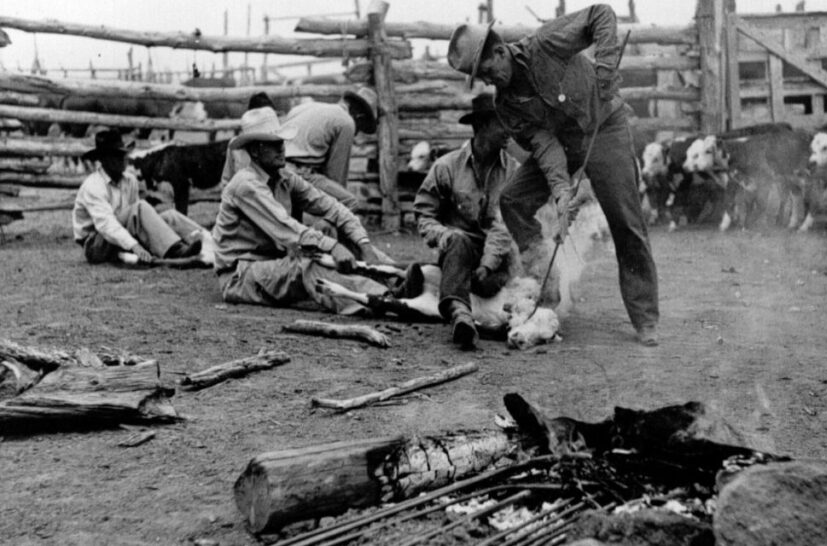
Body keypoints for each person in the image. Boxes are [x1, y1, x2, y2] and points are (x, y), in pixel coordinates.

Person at [446, 4, 660, 346]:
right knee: (513, 200)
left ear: (500, 51)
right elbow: (546, 147)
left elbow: (601, 14)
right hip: (566, 145)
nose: (487, 82)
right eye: (481, 79)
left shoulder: (545, 43)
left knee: (625, 221)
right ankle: (545, 279)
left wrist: (605, 68)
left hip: (605, 130)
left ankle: (645, 317)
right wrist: (561, 192)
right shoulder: (506, 105)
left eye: (486, 72)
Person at [212, 107, 396, 315]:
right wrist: (332, 247)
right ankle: (384, 300)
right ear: (255, 151)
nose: (281, 149)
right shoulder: (246, 184)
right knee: (309, 264)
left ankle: (399, 279)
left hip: (272, 265)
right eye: (273, 145)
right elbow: (286, 228)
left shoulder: (285, 177)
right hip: (241, 274)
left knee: (351, 244)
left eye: (281, 142)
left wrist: (364, 245)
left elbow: (333, 206)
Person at [414, 93, 519, 349]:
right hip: (457, 249)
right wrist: (443, 235)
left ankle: (439, 285)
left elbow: (503, 226)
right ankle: (460, 314)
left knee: (511, 284)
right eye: (503, 123)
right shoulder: (446, 167)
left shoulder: (514, 171)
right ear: (482, 126)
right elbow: (424, 214)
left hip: (496, 255)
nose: (510, 130)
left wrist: (487, 264)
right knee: (458, 240)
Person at [72, 130, 206, 265]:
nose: (123, 159)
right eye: (116, 156)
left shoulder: (129, 180)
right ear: (103, 160)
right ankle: (176, 250)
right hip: (96, 244)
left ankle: (210, 241)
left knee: (171, 216)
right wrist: (134, 246)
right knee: (140, 207)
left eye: (123, 154)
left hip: (121, 235)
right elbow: (106, 225)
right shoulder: (93, 186)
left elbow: (137, 221)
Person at [279, 86, 379, 211]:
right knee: (348, 202)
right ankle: (327, 230)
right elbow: (335, 176)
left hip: (276, 168)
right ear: (359, 116)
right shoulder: (347, 122)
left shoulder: (305, 108)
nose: (357, 133)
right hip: (299, 173)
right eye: (360, 127)